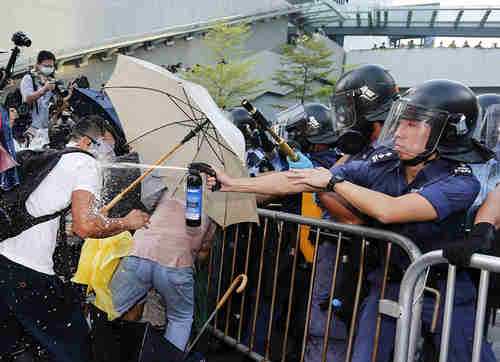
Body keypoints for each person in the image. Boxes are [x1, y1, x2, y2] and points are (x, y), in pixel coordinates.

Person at [205, 79, 496, 362]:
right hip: (388, 282)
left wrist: (332, 182)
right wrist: (232, 184)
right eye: (401, 121)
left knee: (466, 354)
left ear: (447, 132)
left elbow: (390, 210)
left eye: (412, 124)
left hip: (445, 291)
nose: (399, 133)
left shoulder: (460, 181)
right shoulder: (387, 163)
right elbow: (298, 181)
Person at [0, 117, 151, 362]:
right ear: (84, 141)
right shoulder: (85, 163)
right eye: (104, 145)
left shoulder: (55, 156)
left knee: (10, 344)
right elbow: (85, 227)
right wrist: (126, 222)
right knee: (74, 346)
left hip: (5, 259)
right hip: (29, 271)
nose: (108, 152)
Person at [304, 65, 399, 362]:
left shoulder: (387, 154)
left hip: (351, 258)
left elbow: (352, 217)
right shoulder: (362, 151)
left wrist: (321, 187)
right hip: (343, 254)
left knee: (331, 328)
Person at [109, 194, 216, 351]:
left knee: (108, 308)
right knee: (180, 319)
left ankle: (83, 346)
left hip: (139, 252)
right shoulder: (216, 204)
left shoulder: (173, 188)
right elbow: (203, 251)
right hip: (176, 263)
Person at [20, 50, 57, 130]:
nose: (49, 69)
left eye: (51, 66)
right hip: (31, 128)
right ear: (38, 65)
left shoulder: (51, 80)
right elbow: (27, 99)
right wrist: (44, 90)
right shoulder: (29, 78)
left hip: (45, 127)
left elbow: (51, 105)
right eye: (46, 66)